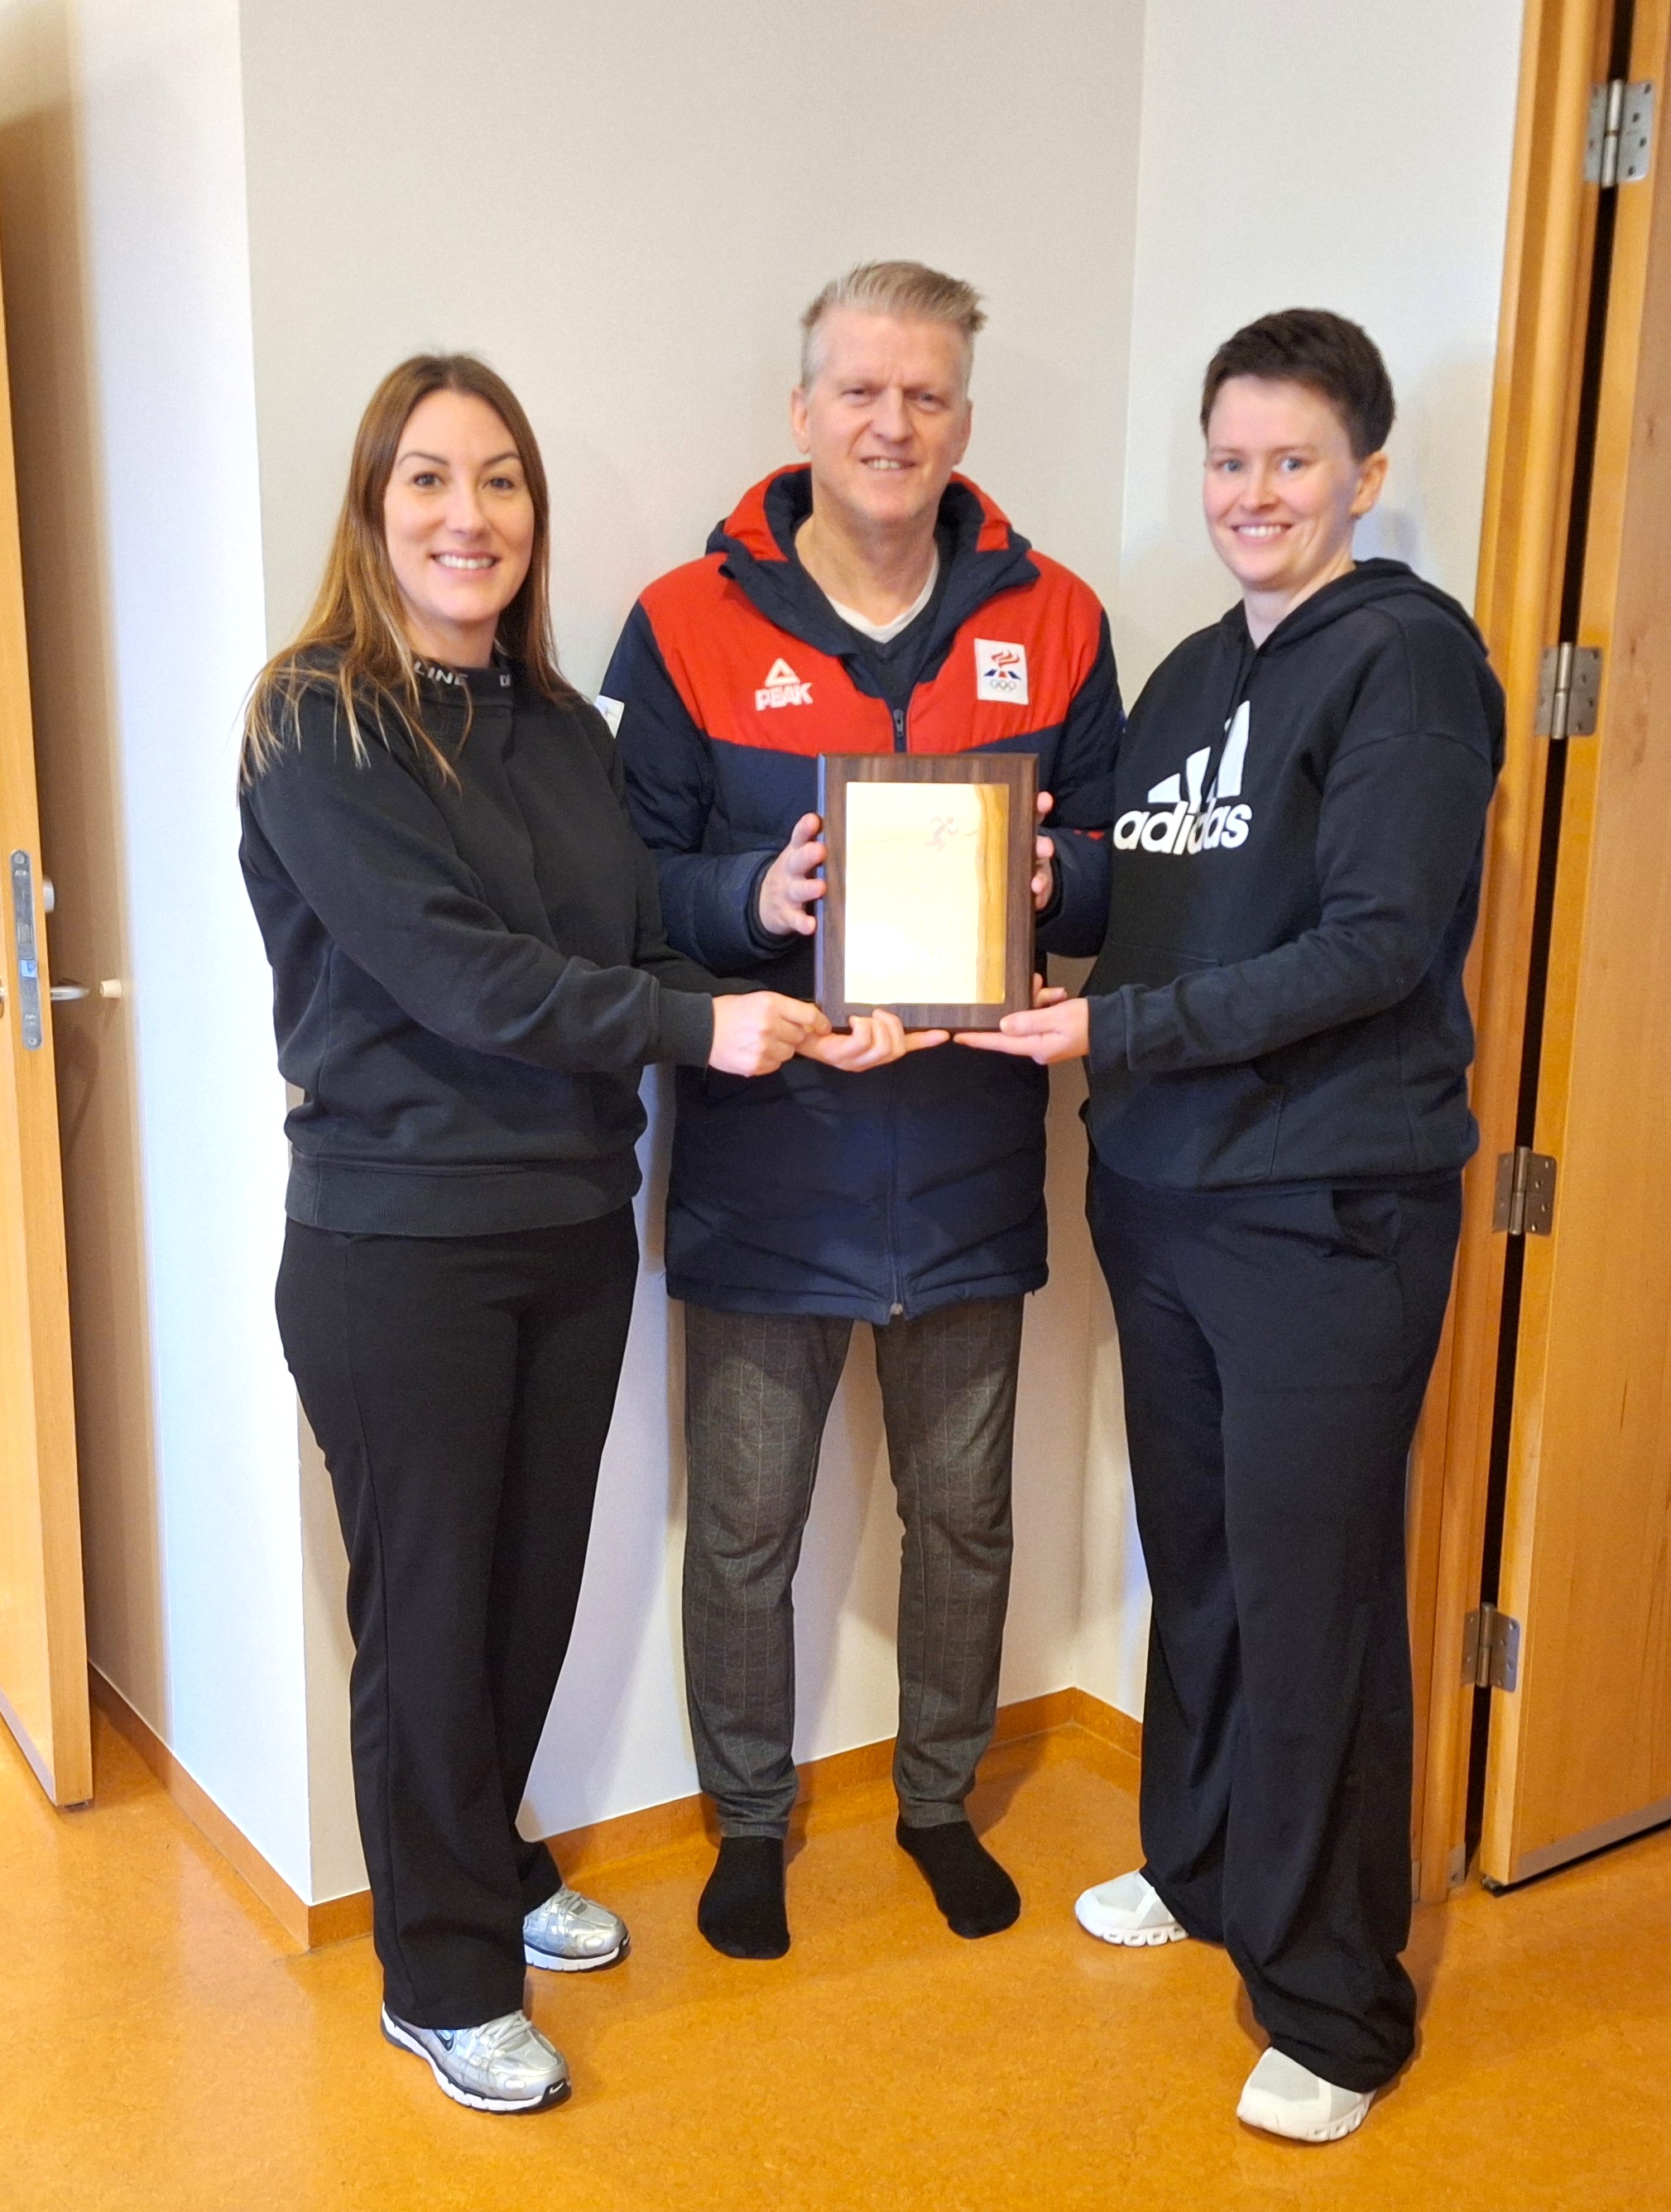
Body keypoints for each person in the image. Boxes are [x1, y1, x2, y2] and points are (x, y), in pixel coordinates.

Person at [238, 354, 909, 2114]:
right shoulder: (315, 719)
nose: (469, 516)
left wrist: (793, 999)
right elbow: (466, 977)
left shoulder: (560, 728)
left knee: (527, 1585)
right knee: (429, 1613)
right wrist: (703, 1028)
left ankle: (487, 1857)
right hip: (398, 1243)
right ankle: (442, 1973)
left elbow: (626, 953)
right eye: (430, 479)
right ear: (374, 506)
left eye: (502, 482)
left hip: (566, 1223)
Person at [961, 309, 1503, 2141]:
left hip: (1324, 1213)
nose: (1252, 492)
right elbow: (1161, 887)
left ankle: (1336, 2004)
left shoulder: (1408, 663)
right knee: (1195, 1560)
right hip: (1166, 1192)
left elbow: (1372, 945)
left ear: (1364, 473)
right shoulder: (1197, 671)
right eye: (1227, 458)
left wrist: (1115, 1029)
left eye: (1291, 459)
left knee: (1310, 1594)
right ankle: (1197, 1866)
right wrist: (1051, 884)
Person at [600, 261, 1122, 1959]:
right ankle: (749, 1823)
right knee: (745, 1527)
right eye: (861, 390)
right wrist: (753, 894)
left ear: (963, 416)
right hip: (769, 1163)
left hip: (969, 1162)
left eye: (925, 394)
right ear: (803, 408)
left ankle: (937, 1800)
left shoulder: (1059, 618)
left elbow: (1118, 867)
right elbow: (623, 882)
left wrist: (1055, 877)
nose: (892, 423)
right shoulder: (683, 622)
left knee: (962, 1516)